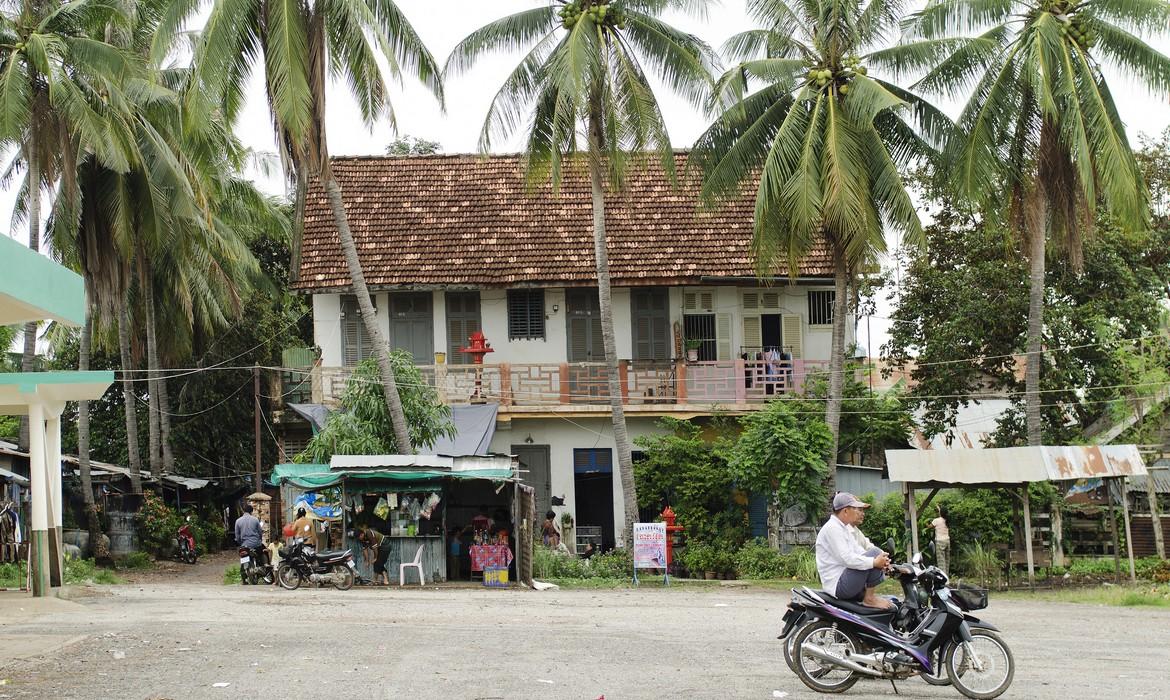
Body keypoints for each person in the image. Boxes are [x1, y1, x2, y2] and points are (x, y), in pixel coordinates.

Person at [815, 492, 892, 609]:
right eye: (856, 509)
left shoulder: (843, 528)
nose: (861, 513)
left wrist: (883, 560)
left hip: (844, 579)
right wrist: (874, 562)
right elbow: (847, 558)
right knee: (875, 553)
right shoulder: (833, 528)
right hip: (838, 585)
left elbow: (859, 551)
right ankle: (870, 599)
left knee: (876, 553)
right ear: (845, 511)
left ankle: (870, 598)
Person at [234, 504, 266, 584]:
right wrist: (259, 540)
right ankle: (263, 566)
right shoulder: (255, 520)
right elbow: (260, 532)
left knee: (243, 561)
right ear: (251, 511)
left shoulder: (238, 521)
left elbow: (237, 535)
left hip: (244, 545)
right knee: (261, 554)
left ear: (243, 511)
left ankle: (244, 580)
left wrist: (240, 543)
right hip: (256, 544)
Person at [928, 505, 951, 574]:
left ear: (940, 513)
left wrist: (925, 523)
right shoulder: (947, 520)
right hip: (947, 541)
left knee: (941, 561)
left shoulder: (936, 520)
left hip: (940, 542)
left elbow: (929, 526)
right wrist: (939, 508)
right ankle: (947, 576)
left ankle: (944, 579)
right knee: (947, 560)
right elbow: (942, 514)